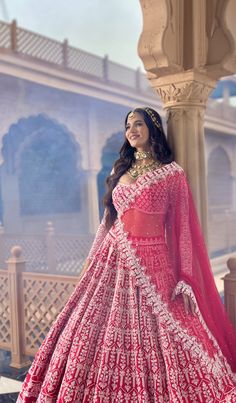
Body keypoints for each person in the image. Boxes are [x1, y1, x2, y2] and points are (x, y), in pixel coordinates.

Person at [18, 107, 236, 402]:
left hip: (153, 264)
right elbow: (107, 222)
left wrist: (185, 276)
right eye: (128, 126)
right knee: (91, 331)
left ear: (153, 128)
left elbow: (183, 229)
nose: (131, 130)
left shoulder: (171, 174)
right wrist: (91, 260)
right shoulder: (119, 170)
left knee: (162, 335)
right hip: (110, 261)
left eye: (138, 124)